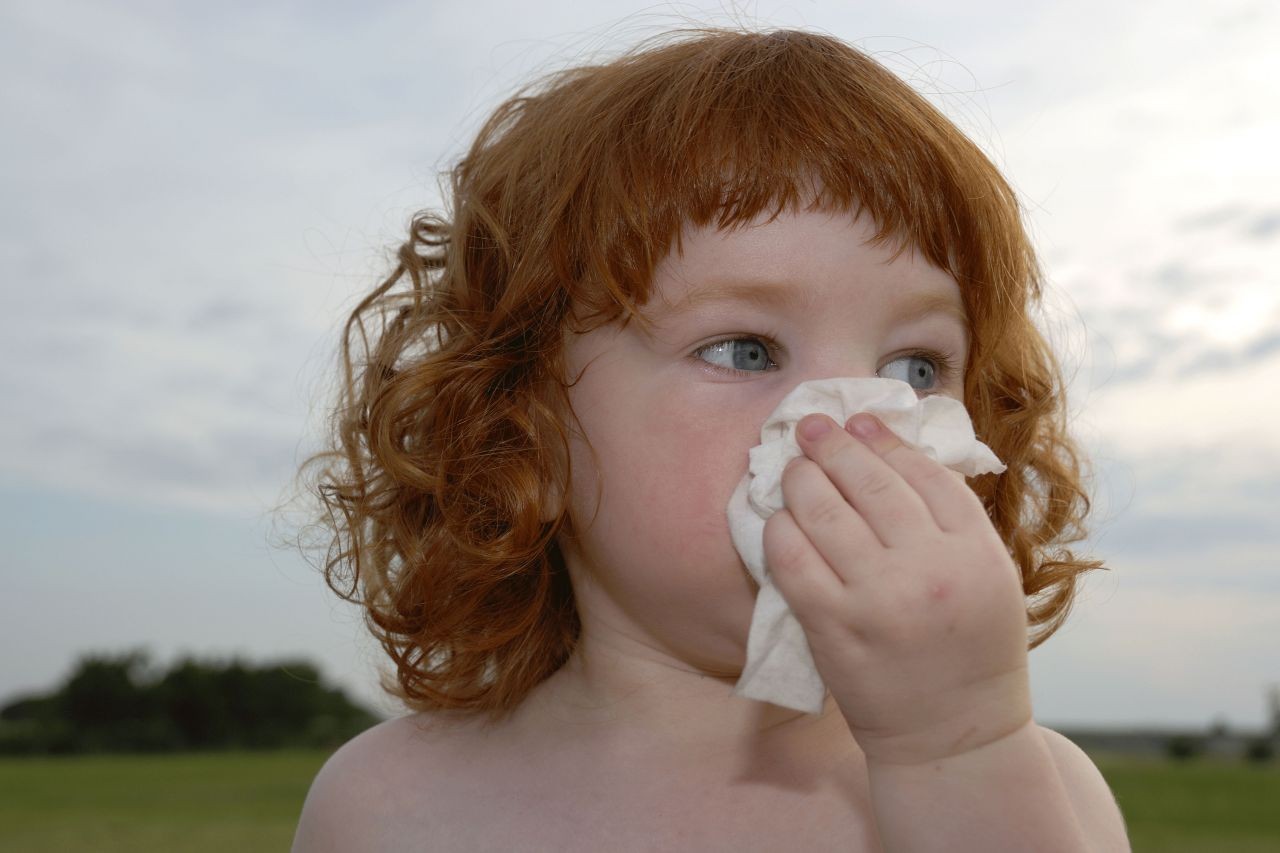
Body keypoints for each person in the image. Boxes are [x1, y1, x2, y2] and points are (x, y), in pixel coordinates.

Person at [291, 27, 1130, 851]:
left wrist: (957, 751)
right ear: (526, 437)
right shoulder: (390, 806)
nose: (848, 420)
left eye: (916, 368)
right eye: (745, 350)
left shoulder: (1037, 791)